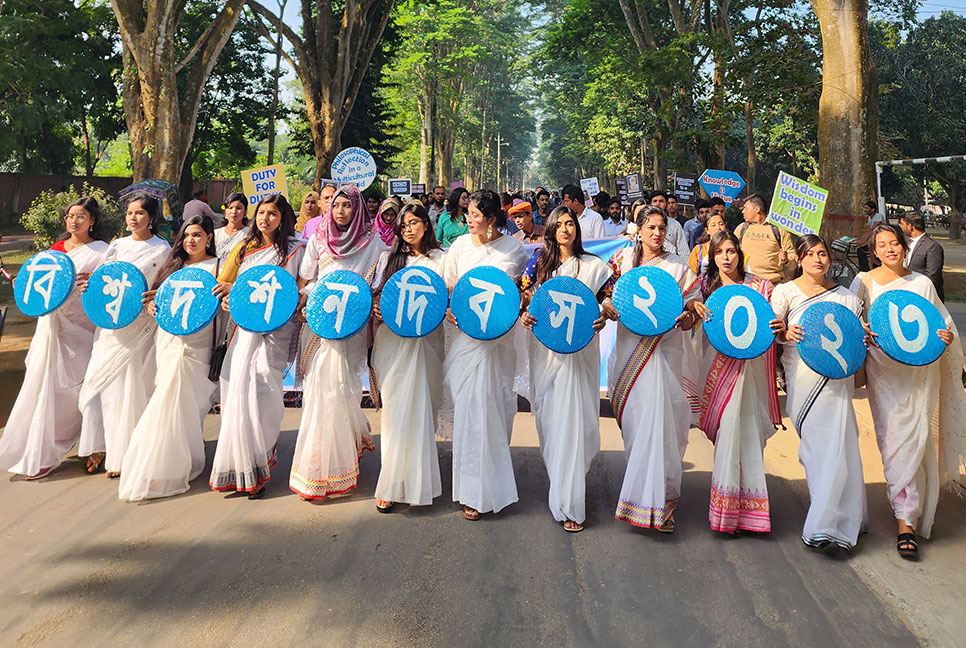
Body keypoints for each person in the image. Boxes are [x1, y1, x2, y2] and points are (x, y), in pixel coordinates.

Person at [850, 223, 966, 559]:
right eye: (882, 245)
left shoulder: (922, 283)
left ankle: (909, 519)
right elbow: (851, 321)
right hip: (883, 373)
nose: (889, 250)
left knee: (917, 438)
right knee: (893, 441)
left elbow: (943, 325)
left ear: (905, 247)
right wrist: (863, 331)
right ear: (874, 252)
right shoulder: (864, 282)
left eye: (895, 244)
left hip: (919, 375)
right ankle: (905, 518)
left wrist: (946, 338)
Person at [601, 205, 701, 532]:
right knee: (637, 421)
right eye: (651, 228)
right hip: (631, 351)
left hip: (665, 350)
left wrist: (689, 316)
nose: (657, 234)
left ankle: (662, 504)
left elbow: (692, 305)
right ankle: (641, 494)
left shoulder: (677, 268)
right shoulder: (620, 263)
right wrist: (609, 307)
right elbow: (604, 297)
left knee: (665, 422)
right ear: (639, 230)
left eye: (662, 229)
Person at [0, 197, 110, 479]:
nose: (74, 221)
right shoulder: (55, 250)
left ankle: (96, 444)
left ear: (92, 221)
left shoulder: (103, 251)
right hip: (52, 327)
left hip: (84, 327)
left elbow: (108, 286)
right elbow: (40, 287)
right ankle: (44, 450)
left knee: (86, 386)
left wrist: (93, 280)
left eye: (81, 216)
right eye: (70, 216)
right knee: (47, 386)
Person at [519, 206, 613, 532]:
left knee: (575, 424)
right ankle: (559, 486)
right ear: (550, 230)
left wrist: (604, 314)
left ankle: (572, 502)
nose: (565, 229)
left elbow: (609, 302)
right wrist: (525, 315)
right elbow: (523, 301)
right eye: (558, 225)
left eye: (570, 223)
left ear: (578, 228)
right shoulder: (538, 266)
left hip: (580, 358)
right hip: (546, 358)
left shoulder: (594, 266)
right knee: (552, 425)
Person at [772, 235, 868, 551]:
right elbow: (772, 332)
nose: (818, 259)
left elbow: (856, 340)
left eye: (823, 253)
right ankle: (829, 514)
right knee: (815, 449)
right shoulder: (784, 292)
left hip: (837, 383)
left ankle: (829, 525)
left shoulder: (847, 298)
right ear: (799, 258)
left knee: (840, 446)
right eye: (810, 254)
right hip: (802, 380)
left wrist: (864, 334)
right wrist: (785, 332)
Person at [290, 185, 384, 500]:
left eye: (348, 206)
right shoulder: (319, 238)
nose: (341, 211)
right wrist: (307, 302)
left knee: (341, 387)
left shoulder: (374, 243)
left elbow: (377, 284)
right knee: (321, 389)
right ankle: (318, 468)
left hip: (351, 329)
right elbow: (305, 280)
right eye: (337, 205)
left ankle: (337, 461)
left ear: (358, 209)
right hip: (318, 325)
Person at [209, 194, 305, 499]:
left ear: (283, 218)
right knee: (235, 389)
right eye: (261, 213)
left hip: (279, 328)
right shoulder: (243, 249)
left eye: (273, 214)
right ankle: (239, 466)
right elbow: (223, 287)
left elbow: (301, 288)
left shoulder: (295, 249)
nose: (265, 219)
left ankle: (260, 461)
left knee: (265, 388)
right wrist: (228, 296)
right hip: (243, 328)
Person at [688, 231, 785, 534]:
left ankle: (751, 511)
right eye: (720, 252)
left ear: (739, 253)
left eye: (731, 250)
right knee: (729, 432)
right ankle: (726, 512)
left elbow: (773, 323)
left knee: (748, 433)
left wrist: (778, 324)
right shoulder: (705, 288)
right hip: (720, 372)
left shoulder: (760, 287)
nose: (726, 257)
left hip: (751, 373)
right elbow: (692, 322)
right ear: (712, 257)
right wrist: (692, 309)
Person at [118, 214, 220, 501]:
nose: (191, 240)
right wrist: (151, 305)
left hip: (198, 344)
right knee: (166, 396)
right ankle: (160, 465)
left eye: (198, 235)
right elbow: (152, 298)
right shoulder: (173, 267)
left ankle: (183, 456)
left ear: (209, 238)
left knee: (190, 404)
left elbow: (222, 306)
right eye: (187, 235)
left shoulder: (217, 267)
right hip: (170, 341)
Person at [443, 189, 529, 521]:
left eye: (475, 214)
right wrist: (450, 309)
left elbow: (515, 292)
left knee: (493, 409)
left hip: (497, 344)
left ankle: (490, 489)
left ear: (491, 219)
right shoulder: (459, 247)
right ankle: (468, 489)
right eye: (468, 213)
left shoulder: (513, 250)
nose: (468, 219)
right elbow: (450, 288)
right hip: (466, 341)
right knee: (468, 412)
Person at [77, 195, 172, 479]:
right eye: (130, 213)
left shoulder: (162, 249)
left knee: (132, 389)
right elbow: (101, 279)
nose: (133, 218)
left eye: (140, 213)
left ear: (151, 217)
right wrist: (88, 286)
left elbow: (163, 286)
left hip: (139, 326)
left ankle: (127, 453)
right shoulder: (117, 245)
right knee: (99, 385)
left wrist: (153, 297)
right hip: (110, 325)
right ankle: (100, 446)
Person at [370, 204, 446, 512]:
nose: (409, 229)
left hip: (428, 344)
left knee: (421, 411)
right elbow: (376, 294)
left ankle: (418, 483)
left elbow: (450, 296)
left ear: (427, 225)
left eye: (414, 223)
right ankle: (391, 483)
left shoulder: (442, 260)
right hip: (392, 345)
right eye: (404, 225)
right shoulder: (388, 259)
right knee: (394, 414)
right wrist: (376, 307)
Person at [736, 193, 797, 284]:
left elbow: (793, 256)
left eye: (746, 208)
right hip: (747, 285)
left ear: (757, 209)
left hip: (773, 285)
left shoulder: (778, 230)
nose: (743, 211)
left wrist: (786, 259)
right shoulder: (741, 229)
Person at [899, 212, 944, 300]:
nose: (901, 227)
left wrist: (916, 290)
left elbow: (933, 276)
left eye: (902, 224)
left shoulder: (932, 246)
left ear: (910, 226)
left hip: (925, 297)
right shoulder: (907, 243)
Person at [649, 190, 689, 257]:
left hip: (672, 263)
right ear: (650, 204)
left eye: (661, 201)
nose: (658, 204)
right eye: (655, 201)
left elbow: (683, 250)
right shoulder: (645, 223)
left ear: (666, 204)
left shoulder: (675, 225)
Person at [687, 211, 727, 276]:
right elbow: (690, 276)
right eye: (713, 225)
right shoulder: (699, 250)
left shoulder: (732, 247)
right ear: (707, 230)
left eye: (721, 224)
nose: (718, 228)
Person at [214, 192, 250, 262]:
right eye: (230, 208)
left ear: (245, 211)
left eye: (238, 208)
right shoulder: (216, 234)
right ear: (225, 210)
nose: (234, 211)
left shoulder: (249, 234)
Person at [856, 200, 886, 271]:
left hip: (881, 241)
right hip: (875, 240)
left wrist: (861, 242)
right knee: (861, 251)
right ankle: (865, 270)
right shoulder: (870, 218)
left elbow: (872, 230)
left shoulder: (878, 216)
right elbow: (869, 232)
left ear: (873, 209)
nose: (865, 210)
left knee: (873, 257)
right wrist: (860, 241)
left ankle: (868, 270)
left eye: (867, 208)